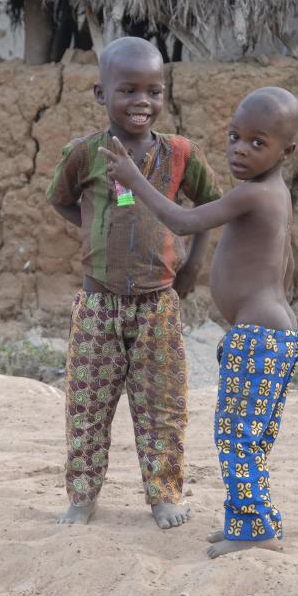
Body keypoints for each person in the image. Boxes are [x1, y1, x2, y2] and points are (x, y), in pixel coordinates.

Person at [101, 86, 298, 558]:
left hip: (258, 337)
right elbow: (286, 263)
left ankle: (254, 531)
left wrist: (133, 178)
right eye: (235, 136)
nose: (240, 149)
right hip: (271, 333)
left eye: (258, 143)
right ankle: (250, 519)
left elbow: (184, 221)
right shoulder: (275, 195)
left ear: (286, 151)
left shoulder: (252, 195)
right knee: (248, 437)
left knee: (237, 438)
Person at [46, 37, 222, 529]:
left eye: (154, 90)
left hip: (158, 305)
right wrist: (97, 228)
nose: (142, 101)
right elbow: (60, 199)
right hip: (98, 305)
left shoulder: (182, 154)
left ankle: (164, 495)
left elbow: (208, 210)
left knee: (162, 407)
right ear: (101, 94)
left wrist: (192, 268)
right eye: (127, 90)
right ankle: (82, 498)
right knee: (87, 406)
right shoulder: (85, 153)